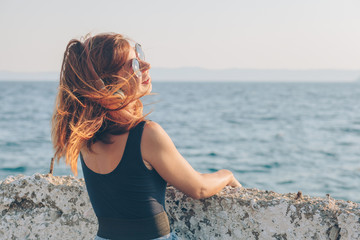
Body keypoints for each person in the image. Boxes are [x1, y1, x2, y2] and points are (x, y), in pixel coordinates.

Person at [51, 32, 241, 240]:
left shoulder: (84, 136)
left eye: (139, 55)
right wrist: (226, 174)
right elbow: (199, 188)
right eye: (133, 65)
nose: (146, 65)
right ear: (109, 83)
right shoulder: (146, 133)